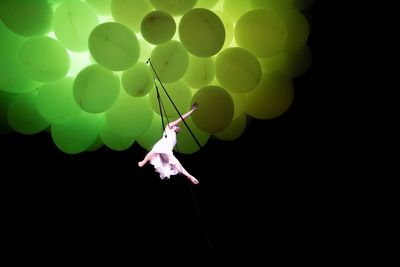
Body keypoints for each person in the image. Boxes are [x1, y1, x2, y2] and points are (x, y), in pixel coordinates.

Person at [138, 103, 199, 184]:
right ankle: (143, 162)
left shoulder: (174, 139)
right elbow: (181, 119)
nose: (178, 126)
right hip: (162, 145)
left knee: (177, 164)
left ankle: (190, 176)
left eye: (178, 127)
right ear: (173, 127)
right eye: (177, 126)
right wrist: (192, 110)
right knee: (154, 151)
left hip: (167, 151)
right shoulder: (168, 128)